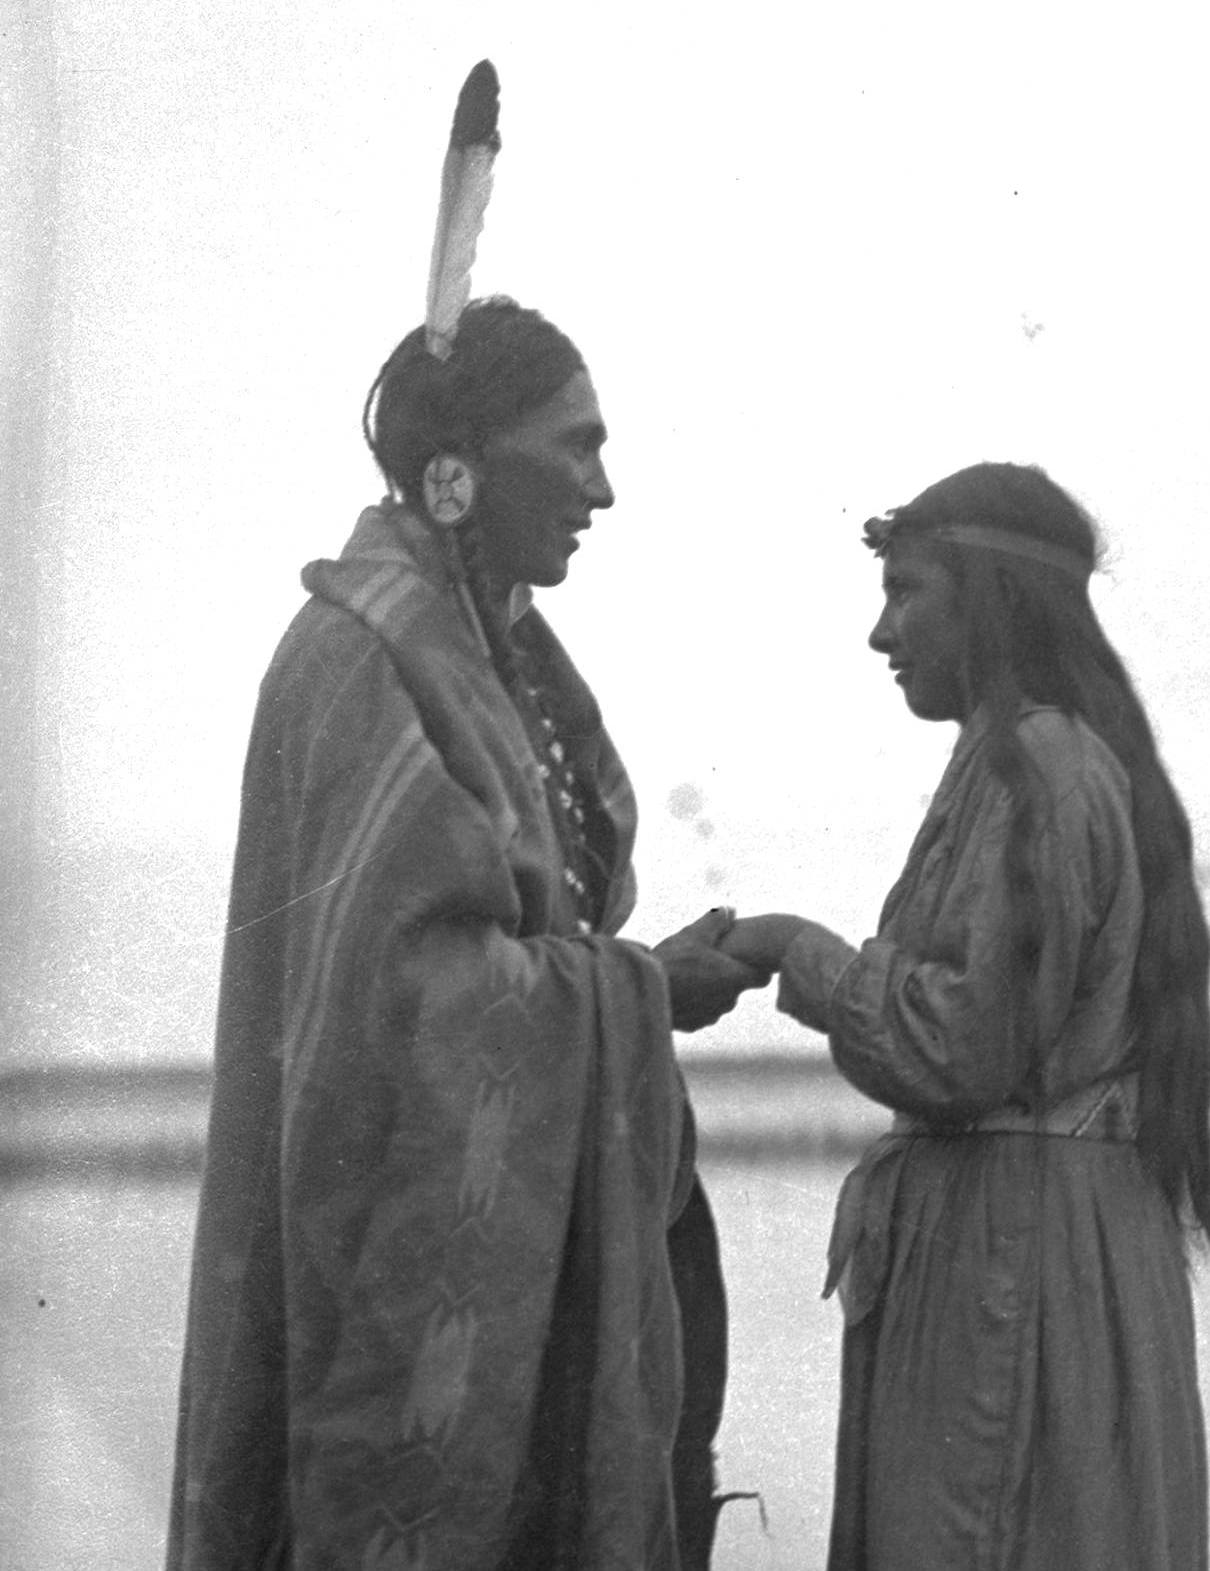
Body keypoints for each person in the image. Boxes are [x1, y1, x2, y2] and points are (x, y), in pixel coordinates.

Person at [166, 297, 763, 1571]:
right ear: (461, 470)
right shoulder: (359, 660)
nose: (602, 488)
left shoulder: (501, 658)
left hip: (521, 1257)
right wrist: (644, 987)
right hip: (387, 1255)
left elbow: (515, 939)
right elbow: (405, 996)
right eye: (577, 446)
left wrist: (627, 984)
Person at [718, 461, 1210, 1571]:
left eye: (906, 593)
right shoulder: (1041, 759)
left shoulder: (1040, 767)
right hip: (1039, 1244)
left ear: (989, 600)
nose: (879, 631)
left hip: (1018, 1266)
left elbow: (958, 1051)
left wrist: (785, 946)